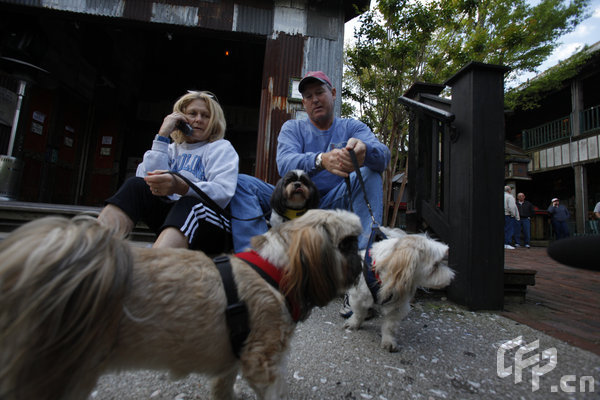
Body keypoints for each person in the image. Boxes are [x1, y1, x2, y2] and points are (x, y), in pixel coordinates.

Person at [229, 70, 391, 254]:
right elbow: (284, 164)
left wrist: (366, 152)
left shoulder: (352, 127)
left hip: (334, 202)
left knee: (370, 172)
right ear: (304, 102)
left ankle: (365, 257)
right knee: (242, 183)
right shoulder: (292, 128)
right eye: (308, 96)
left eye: (320, 92)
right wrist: (321, 160)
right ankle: (255, 257)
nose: (314, 99)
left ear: (333, 93)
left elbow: (383, 157)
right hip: (294, 200)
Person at [98, 91, 238, 253]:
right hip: (174, 219)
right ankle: (96, 250)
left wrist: (182, 187)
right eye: (192, 114)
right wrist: (162, 136)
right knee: (135, 185)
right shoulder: (170, 149)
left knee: (188, 203)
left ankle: (156, 267)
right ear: (180, 119)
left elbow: (223, 193)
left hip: (213, 224)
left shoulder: (220, 147)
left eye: (205, 116)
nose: (198, 119)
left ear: (213, 121)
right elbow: (147, 180)